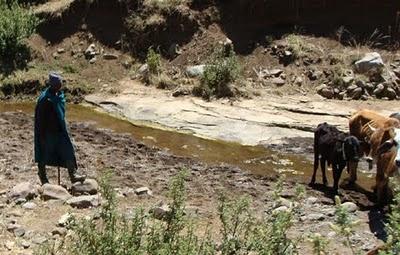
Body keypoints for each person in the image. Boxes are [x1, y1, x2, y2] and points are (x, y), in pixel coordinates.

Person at [34, 72, 86, 185]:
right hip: (47, 132)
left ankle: (73, 175)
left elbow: (61, 113)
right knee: (43, 153)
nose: (61, 85)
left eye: (61, 83)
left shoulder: (59, 95)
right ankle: (42, 176)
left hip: (60, 131)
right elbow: (40, 119)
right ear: (53, 85)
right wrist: (41, 136)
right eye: (59, 83)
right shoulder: (45, 99)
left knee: (68, 150)